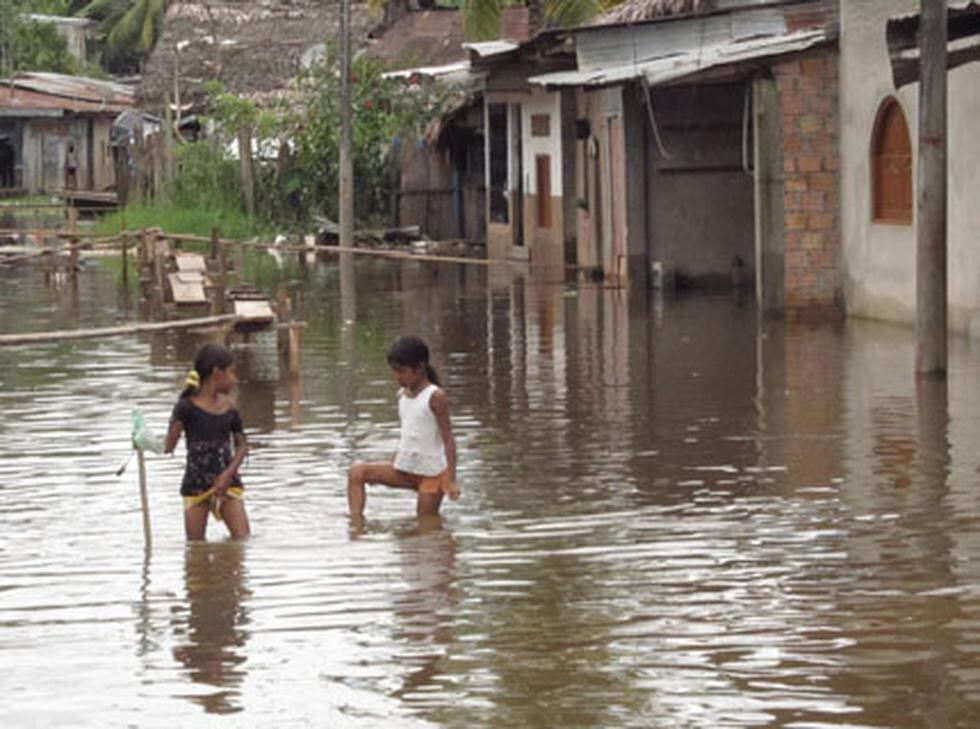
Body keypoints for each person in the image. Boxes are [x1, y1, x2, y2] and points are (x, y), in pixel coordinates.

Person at [348, 336, 460, 520]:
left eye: (401, 371)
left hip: (431, 473)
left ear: (419, 368)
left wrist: (451, 478)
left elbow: (448, 438)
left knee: (426, 526)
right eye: (394, 371)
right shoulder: (402, 395)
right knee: (357, 473)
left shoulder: (435, 397)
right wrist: (394, 459)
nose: (396, 376)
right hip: (405, 468)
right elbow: (409, 432)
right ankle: (356, 525)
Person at [164, 343, 250, 540]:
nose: (234, 379)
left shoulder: (230, 407)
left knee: (242, 542)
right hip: (195, 486)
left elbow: (242, 445)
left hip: (227, 485)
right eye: (231, 372)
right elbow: (168, 447)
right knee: (195, 550)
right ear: (216, 373)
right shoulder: (185, 408)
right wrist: (145, 439)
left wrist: (227, 475)